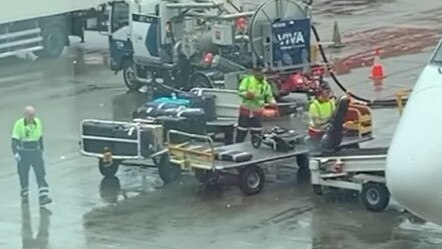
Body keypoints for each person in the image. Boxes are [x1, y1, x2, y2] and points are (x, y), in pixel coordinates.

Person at [12, 106, 52, 206]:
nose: (32, 117)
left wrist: (42, 148)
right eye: (30, 115)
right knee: (23, 174)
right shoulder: (19, 124)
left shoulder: (37, 121)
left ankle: (43, 196)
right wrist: (15, 153)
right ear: (25, 115)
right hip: (24, 152)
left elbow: (40, 136)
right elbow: (14, 140)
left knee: (40, 172)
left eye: (33, 115)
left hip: (35, 151)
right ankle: (24, 191)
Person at [235, 67, 277, 143]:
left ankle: (255, 146)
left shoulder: (265, 85)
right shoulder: (247, 80)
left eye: (261, 73)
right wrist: (247, 95)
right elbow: (240, 92)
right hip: (246, 110)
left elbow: (269, 96)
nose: (259, 74)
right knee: (242, 130)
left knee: (257, 132)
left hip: (257, 112)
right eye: (257, 73)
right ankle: (238, 146)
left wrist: (272, 102)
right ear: (254, 73)